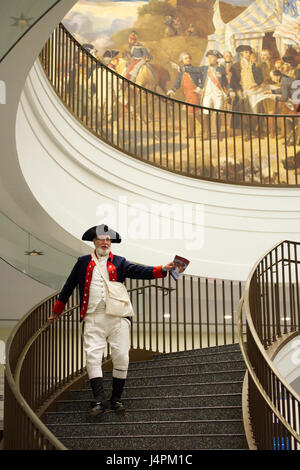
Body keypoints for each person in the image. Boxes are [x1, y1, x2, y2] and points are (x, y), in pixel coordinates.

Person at [48, 224, 175, 416]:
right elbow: (68, 287)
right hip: (92, 316)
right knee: (92, 356)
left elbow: (140, 272)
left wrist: (162, 269)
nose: (106, 242)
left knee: (122, 356)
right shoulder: (82, 262)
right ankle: (98, 400)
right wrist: (57, 311)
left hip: (118, 317)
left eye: (108, 240)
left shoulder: (120, 261)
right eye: (102, 239)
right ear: (94, 241)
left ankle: (116, 398)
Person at [167, 52, 203, 137]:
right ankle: (204, 129)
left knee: (192, 112)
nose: (188, 59)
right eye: (186, 58)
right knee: (194, 113)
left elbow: (202, 81)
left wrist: (199, 88)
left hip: (194, 93)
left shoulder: (195, 70)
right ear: (182, 60)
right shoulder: (181, 71)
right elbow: (178, 82)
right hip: (186, 95)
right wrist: (172, 89)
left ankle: (191, 133)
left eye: (189, 58)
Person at [199, 50, 229, 138]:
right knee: (205, 113)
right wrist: (180, 68)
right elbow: (193, 70)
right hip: (207, 94)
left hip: (218, 94)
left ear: (217, 59)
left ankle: (219, 133)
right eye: (209, 57)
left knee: (218, 113)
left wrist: (230, 90)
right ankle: (206, 133)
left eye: (213, 57)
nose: (210, 59)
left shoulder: (221, 69)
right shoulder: (204, 68)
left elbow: (225, 82)